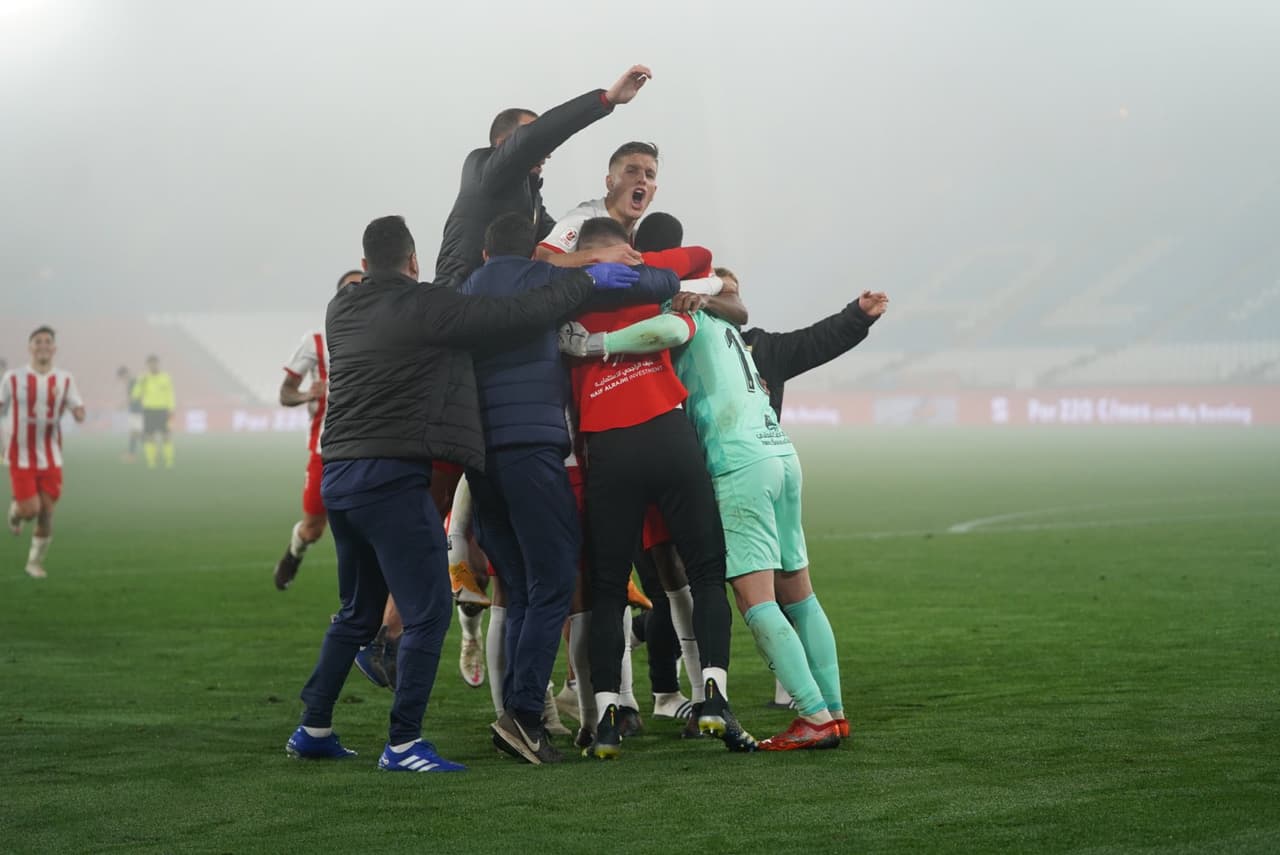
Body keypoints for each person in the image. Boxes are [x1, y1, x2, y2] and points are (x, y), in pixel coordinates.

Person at [284, 215, 624, 772]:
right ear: (413, 263)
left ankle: (313, 726)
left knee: (356, 610)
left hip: (339, 474)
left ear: (365, 266)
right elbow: (512, 314)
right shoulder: (425, 305)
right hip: (390, 477)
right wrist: (587, 277)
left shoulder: (342, 307)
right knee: (428, 614)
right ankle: (403, 744)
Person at [564, 263, 889, 750]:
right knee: (799, 593)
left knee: (754, 598)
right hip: (780, 451)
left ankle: (813, 717)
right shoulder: (735, 328)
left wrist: (596, 344)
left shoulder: (686, 310)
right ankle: (835, 712)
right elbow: (739, 303)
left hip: (739, 462)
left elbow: (671, 327)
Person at [458, 211, 648, 764]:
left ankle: (515, 714)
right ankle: (523, 714)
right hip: (530, 448)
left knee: (515, 586)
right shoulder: (544, 281)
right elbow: (639, 282)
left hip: (480, 455)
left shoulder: (466, 290)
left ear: (488, 253)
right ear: (533, 253)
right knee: (557, 576)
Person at [561, 217, 754, 759]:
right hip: (669, 434)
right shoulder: (651, 278)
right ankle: (712, 694)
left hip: (608, 449)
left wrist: (591, 343)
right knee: (706, 573)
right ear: (625, 249)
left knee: (605, 591)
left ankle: (604, 719)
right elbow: (703, 267)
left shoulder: (566, 299)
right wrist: (704, 285)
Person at [434, 65, 651, 289]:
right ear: (502, 146)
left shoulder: (532, 201)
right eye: (537, 141)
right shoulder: (483, 169)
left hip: (500, 304)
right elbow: (536, 138)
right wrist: (605, 100)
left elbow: (561, 243)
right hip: (456, 298)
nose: (547, 152)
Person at [272, 269, 363, 591]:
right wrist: (306, 394)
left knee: (366, 529)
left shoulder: (383, 337)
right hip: (326, 452)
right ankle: (294, 552)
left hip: (368, 450)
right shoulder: (316, 341)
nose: (359, 292)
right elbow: (285, 393)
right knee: (313, 529)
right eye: (351, 288)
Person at [2, 327, 85, 578]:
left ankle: (34, 563)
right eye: (38, 341)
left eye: (48, 341)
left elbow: (78, 408)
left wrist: (78, 413)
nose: (43, 345)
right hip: (20, 454)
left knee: (47, 512)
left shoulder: (65, 379)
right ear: (30, 348)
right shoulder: (12, 378)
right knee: (31, 510)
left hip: (51, 456)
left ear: (54, 349)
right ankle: (16, 513)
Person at [535, 141, 660, 264]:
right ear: (610, 183)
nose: (642, 179)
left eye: (649, 175)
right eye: (632, 171)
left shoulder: (640, 238)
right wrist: (598, 256)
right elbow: (541, 259)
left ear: (654, 191)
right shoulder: (582, 220)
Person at [133, 355, 176, 469]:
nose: (153, 366)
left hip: (163, 410)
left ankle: (169, 462)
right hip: (149, 410)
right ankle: (151, 462)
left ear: (158, 364)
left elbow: (170, 394)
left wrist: (171, 409)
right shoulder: (143, 378)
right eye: (150, 364)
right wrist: (140, 383)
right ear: (147, 365)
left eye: (155, 363)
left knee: (167, 436)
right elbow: (135, 395)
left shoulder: (165, 377)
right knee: (149, 436)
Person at [116, 365, 143, 463]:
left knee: (135, 433)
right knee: (136, 433)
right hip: (136, 410)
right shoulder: (132, 382)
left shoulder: (132, 382)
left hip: (137, 410)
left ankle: (132, 455)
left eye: (121, 377)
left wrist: (122, 405)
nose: (121, 380)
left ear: (125, 374)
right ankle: (132, 453)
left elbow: (134, 397)